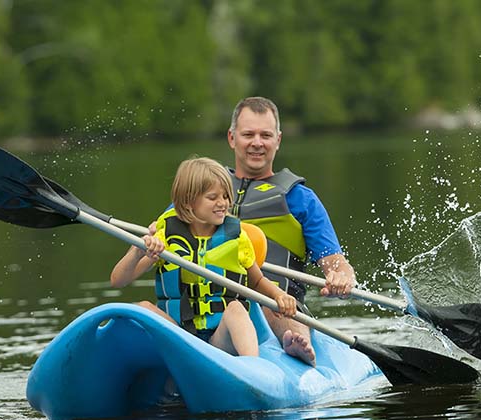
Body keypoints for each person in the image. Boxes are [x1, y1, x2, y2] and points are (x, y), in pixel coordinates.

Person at [110, 157, 299, 357]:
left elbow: (257, 281)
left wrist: (279, 295)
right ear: (189, 201)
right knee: (143, 308)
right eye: (213, 197)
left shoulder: (237, 238)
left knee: (235, 308)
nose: (222, 203)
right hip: (179, 337)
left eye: (226, 196)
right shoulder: (166, 237)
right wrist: (137, 250)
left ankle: (252, 367)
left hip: (219, 339)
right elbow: (118, 280)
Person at [223, 96, 358, 367]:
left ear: (278, 140)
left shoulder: (300, 199)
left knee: (270, 305)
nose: (257, 143)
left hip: (277, 306)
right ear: (232, 138)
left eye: (265, 135)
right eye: (248, 134)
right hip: (211, 307)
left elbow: (336, 263)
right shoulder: (203, 190)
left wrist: (341, 277)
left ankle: (295, 344)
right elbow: (166, 234)